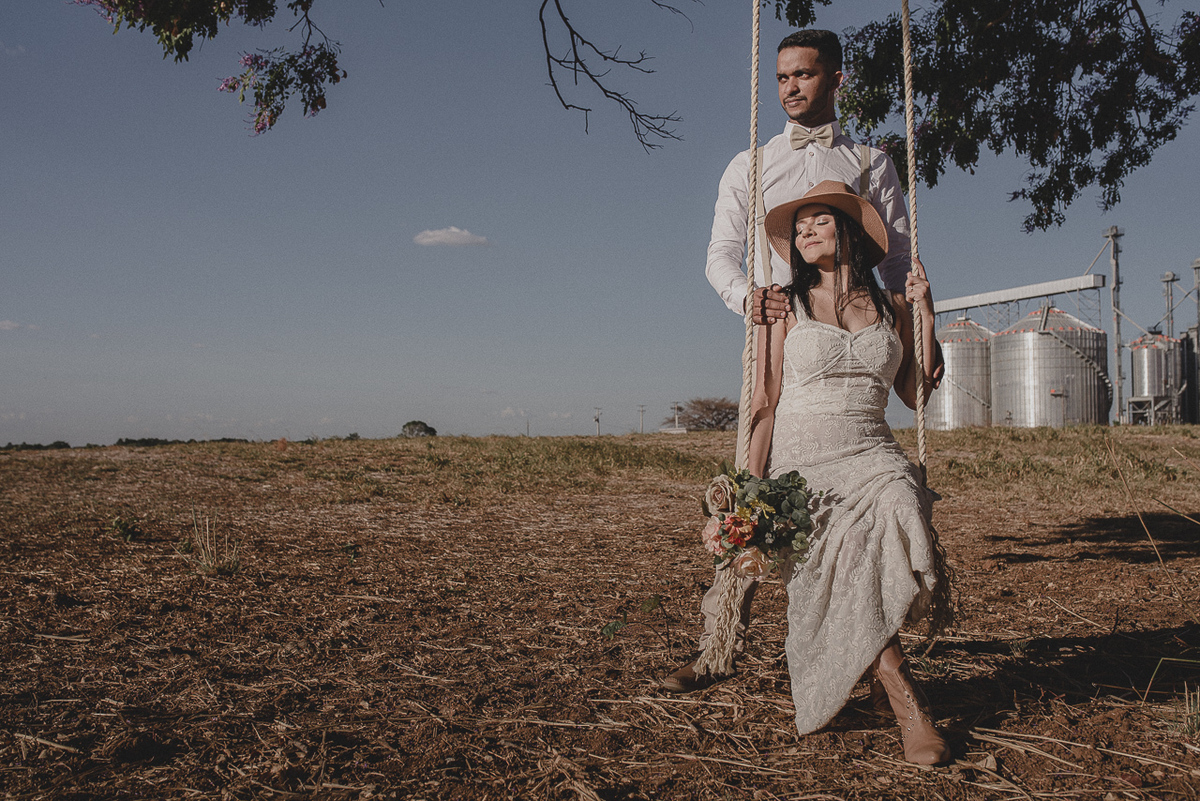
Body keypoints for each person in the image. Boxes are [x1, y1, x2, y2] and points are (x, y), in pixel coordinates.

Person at [666, 28, 933, 695]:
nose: (790, 88)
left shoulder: (871, 163)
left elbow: (898, 258)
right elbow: (720, 255)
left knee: (844, 511)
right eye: (782, 77)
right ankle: (719, 642)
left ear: (837, 79)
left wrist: (912, 322)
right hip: (781, 333)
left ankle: (862, 638)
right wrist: (749, 298)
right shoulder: (751, 166)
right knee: (754, 488)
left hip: (854, 332)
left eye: (804, 75)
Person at [747, 180, 950, 764]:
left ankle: (885, 680)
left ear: (849, 232)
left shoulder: (891, 306)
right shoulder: (783, 305)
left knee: (901, 502)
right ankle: (906, 701)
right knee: (850, 544)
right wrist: (752, 490)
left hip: (870, 449)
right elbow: (764, 401)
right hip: (803, 460)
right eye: (799, 228)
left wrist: (926, 313)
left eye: (819, 221)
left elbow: (914, 394)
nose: (806, 233)